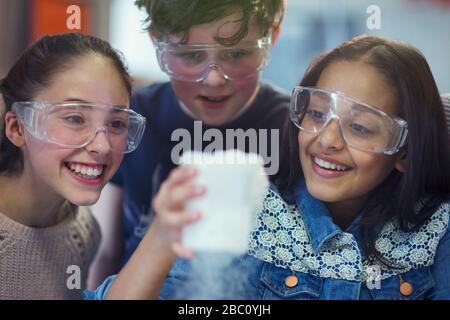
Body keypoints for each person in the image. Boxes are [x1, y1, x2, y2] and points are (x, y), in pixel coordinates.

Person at [88, 34, 450, 300]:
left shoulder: (438, 232)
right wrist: (164, 233)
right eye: (317, 114)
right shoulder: (249, 212)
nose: (326, 140)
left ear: (405, 151)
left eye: (360, 127)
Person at [88, 0, 289, 289]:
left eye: (236, 54)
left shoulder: (294, 129)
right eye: (191, 55)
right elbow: (104, 250)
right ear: (156, 41)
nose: (214, 79)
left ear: (273, 36)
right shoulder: (130, 119)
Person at [0, 33, 146, 299]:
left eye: (116, 124)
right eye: (75, 118)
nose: (102, 146)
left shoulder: (83, 233)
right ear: (17, 127)